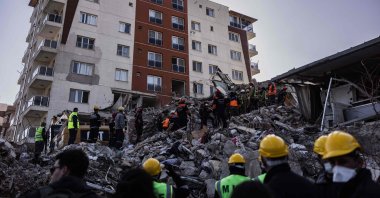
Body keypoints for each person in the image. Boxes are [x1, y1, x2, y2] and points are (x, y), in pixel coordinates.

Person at [322, 131, 380, 197]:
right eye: (332, 163)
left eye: (342, 162)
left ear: (359, 162)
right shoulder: (336, 189)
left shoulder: (372, 193)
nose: (336, 168)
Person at [25, 149, 99, 198]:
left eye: (53, 169)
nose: (51, 174)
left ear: (64, 170)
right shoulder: (93, 195)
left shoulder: (41, 194)